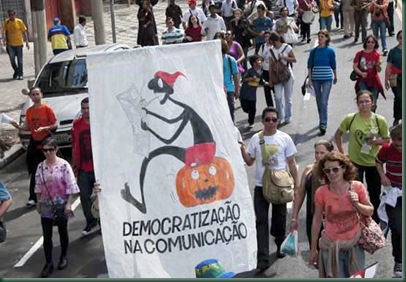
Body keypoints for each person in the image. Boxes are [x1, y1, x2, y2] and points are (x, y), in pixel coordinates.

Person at [240, 107, 299, 270]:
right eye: (268, 119)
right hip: (261, 186)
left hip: (280, 186)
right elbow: (250, 161)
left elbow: (292, 163)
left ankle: (280, 243)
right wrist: (241, 148)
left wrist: (297, 184)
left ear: (278, 121)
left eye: (274, 119)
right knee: (261, 221)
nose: (271, 122)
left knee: (279, 219)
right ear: (262, 121)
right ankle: (263, 259)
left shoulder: (285, 138)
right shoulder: (255, 139)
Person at [309, 151, 373, 278]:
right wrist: (313, 249)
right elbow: (316, 221)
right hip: (331, 246)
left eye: (335, 169)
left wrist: (357, 204)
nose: (331, 174)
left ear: (343, 168)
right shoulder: (321, 193)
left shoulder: (357, 187)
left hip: (354, 244)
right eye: (327, 171)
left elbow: (370, 211)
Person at [334, 90, 390, 223]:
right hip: (354, 163)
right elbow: (338, 135)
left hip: (373, 163)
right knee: (355, 194)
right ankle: (357, 220)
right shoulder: (351, 118)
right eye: (361, 102)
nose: (364, 104)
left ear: (373, 102)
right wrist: (342, 155)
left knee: (374, 194)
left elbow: (387, 139)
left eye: (367, 101)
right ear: (357, 103)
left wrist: (376, 142)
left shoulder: (379, 120)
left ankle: (375, 221)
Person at [35, 138, 79, 278]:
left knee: (62, 231)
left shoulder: (64, 165)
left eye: (50, 149)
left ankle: (63, 256)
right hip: (46, 204)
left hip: (61, 203)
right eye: (45, 150)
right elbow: (38, 186)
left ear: (56, 149)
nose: (48, 153)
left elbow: (71, 185)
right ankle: (48, 263)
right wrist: (38, 202)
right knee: (46, 235)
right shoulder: (40, 167)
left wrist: (69, 203)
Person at [10, 87, 58, 207]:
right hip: (34, 141)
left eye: (37, 94)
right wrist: (18, 126)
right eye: (33, 94)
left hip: (46, 140)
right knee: (34, 169)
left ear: (41, 95)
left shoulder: (47, 109)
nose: (35, 96)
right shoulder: (29, 111)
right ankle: (33, 197)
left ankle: (53, 192)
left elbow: (55, 124)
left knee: (49, 167)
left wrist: (45, 128)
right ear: (30, 97)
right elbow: (27, 127)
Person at [290, 140, 334, 247]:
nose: (318, 156)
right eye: (316, 153)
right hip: (313, 217)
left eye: (322, 153)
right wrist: (294, 218)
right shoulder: (309, 170)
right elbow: (300, 194)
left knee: (331, 253)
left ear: (330, 153)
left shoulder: (335, 172)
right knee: (314, 249)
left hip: (332, 218)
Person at [376, 123, 402, 278]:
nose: (399, 148)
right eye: (397, 145)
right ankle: (399, 261)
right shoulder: (386, 149)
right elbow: (378, 161)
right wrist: (382, 176)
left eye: (402, 145)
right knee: (398, 229)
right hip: (394, 195)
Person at [71, 98, 98, 236]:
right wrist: (74, 166)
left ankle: (105, 222)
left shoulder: (99, 123)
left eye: (88, 108)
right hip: (83, 168)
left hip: (99, 168)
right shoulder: (77, 125)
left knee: (103, 196)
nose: (86, 111)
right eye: (83, 108)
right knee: (84, 197)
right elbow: (74, 145)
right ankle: (91, 221)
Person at [307, 29, 337, 136]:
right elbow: (310, 66)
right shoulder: (313, 51)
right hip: (316, 78)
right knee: (319, 101)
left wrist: (335, 76)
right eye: (319, 36)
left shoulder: (330, 51)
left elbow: (333, 64)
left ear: (327, 38)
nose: (320, 38)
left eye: (322, 36)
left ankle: (323, 124)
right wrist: (309, 79)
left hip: (327, 78)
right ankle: (322, 119)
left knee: (324, 101)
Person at [268, 31, 296, 125]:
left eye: (270, 41)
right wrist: (270, 80)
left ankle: (288, 116)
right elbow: (270, 67)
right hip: (276, 76)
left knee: (288, 98)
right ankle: (280, 116)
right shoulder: (271, 50)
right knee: (278, 97)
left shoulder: (287, 47)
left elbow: (294, 59)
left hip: (287, 75)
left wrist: (284, 57)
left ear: (274, 40)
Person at [352, 35, 384, 112]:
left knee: (373, 100)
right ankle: (363, 114)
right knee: (364, 99)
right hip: (362, 80)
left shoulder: (377, 54)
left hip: (374, 80)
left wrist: (379, 64)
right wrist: (361, 73)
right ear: (365, 43)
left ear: (375, 43)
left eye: (372, 42)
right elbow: (355, 66)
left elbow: (379, 68)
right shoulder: (360, 54)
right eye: (368, 42)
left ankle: (372, 115)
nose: (370, 44)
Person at [239, 55, 268, 128]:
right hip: (245, 93)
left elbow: (261, 82)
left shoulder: (261, 73)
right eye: (259, 61)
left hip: (252, 95)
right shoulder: (249, 71)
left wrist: (269, 83)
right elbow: (243, 80)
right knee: (245, 108)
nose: (261, 62)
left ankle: (251, 122)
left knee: (253, 109)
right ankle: (247, 111)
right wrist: (250, 79)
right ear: (254, 63)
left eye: (261, 61)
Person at [2, 9, 29, 80]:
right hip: (10, 44)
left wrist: (26, 42)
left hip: (19, 44)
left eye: (13, 14)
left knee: (20, 60)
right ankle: (17, 71)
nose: (11, 16)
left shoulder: (19, 21)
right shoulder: (6, 22)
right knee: (12, 60)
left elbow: (24, 32)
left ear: (15, 14)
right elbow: (5, 31)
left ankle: (20, 74)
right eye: (10, 15)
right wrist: (4, 40)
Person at [384, 30, 402, 126]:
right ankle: (397, 117)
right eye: (400, 38)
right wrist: (386, 80)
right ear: (397, 39)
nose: (402, 40)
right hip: (396, 77)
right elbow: (389, 66)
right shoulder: (393, 51)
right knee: (399, 97)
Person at [221, 39, 240, 122]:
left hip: (229, 88)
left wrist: (237, 89)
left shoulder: (230, 60)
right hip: (218, 89)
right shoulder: (213, 60)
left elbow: (236, 75)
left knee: (230, 108)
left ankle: (232, 124)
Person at [258, 31, 274, 107]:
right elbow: (259, 57)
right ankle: (270, 107)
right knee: (267, 90)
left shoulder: (274, 46)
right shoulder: (263, 47)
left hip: (274, 71)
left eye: (268, 36)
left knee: (276, 91)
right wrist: (260, 62)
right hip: (265, 71)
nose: (267, 38)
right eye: (265, 37)